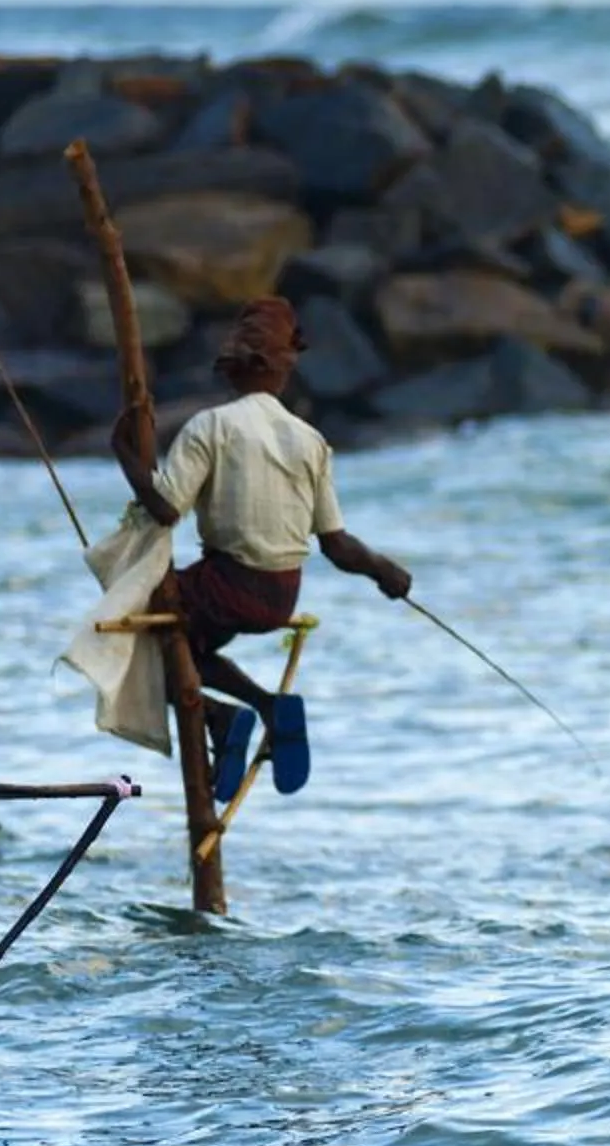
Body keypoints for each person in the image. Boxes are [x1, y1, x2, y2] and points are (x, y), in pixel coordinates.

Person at [113, 296, 414, 797]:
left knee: (134, 635)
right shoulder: (309, 439)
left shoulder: (210, 426)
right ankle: (265, 706)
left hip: (226, 587)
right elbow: (337, 545)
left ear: (233, 369)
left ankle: (220, 715)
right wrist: (385, 570)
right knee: (187, 649)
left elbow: (165, 508)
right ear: (284, 372)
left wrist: (124, 454)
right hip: (280, 596)